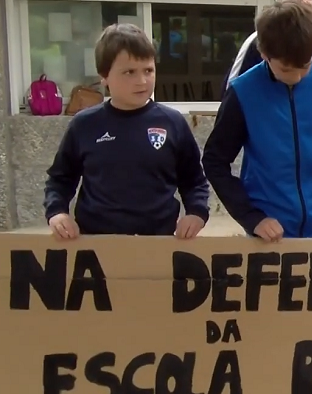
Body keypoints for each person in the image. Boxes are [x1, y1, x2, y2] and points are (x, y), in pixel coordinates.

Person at [202, 0, 312, 243]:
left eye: (305, 65)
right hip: (266, 234)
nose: (297, 77)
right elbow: (215, 161)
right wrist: (252, 217)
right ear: (264, 54)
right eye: (286, 69)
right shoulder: (243, 92)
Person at [44, 23, 210, 239]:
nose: (142, 81)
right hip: (95, 242)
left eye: (148, 70)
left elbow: (194, 180)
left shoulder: (173, 123)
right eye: (129, 72)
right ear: (104, 76)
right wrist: (57, 213)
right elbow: (60, 179)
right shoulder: (84, 125)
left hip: (159, 241)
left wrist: (196, 213)